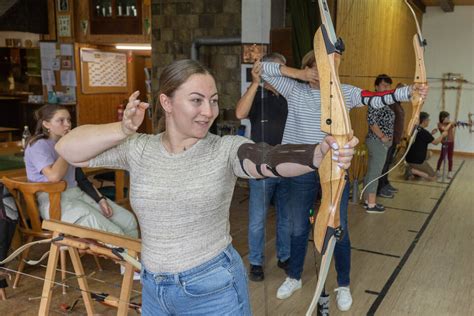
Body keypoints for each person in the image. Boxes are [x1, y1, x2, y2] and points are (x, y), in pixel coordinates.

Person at [56, 59, 358, 315]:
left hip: (214, 289)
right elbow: (68, 148)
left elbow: (266, 158)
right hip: (153, 290)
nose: (209, 111)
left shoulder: (224, 149)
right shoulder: (138, 148)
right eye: (196, 100)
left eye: (213, 100)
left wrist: (317, 154)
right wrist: (122, 129)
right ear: (167, 102)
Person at [260, 50, 428, 311]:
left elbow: (375, 99)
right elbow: (263, 68)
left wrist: (409, 93)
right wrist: (300, 74)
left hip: (335, 169)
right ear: (310, 68)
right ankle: (293, 277)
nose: (329, 72)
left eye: (332, 67)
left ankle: (344, 284)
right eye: (321, 67)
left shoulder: (343, 92)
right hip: (300, 168)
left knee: (339, 230)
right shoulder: (295, 89)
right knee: (296, 227)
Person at [24, 104, 138, 238]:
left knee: (128, 220)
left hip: (77, 195)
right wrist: (67, 147)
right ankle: (127, 257)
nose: (67, 124)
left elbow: (80, 177)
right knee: (114, 233)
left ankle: (130, 257)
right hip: (54, 202)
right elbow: (54, 177)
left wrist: (99, 199)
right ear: (46, 124)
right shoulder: (38, 145)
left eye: (69, 120)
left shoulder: (66, 142)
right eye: (61, 120)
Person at [235, 53, 290, 282]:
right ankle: (256, 261)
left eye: (282, 70)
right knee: (258, 218)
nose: (279, 74)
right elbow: (240, 113)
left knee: (286, 217)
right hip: (262, 169)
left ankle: (284, 256)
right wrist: (255, 82)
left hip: (288, 168)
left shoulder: (291, 95)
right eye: (274, 70)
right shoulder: (256, 95)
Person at [363, 74, 396, 213]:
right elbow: (372, 121)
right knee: (375, 173)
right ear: (376, 86)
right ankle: (371, 204)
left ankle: (366, 201)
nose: (386, 88)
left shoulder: (383, 101)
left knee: (372, 172)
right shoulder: (375, 101)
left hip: (379, 142)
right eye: (383, 85)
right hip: (378, 142)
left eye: (388, 85)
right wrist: (382, 137)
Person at [376, 80, 405, 198]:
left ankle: (385, 183)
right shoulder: (391, 103)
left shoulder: (398, 104)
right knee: (383, 164)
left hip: (394, 139)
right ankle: (380, 188)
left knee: (388, 163)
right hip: (388, 139)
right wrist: (385, 137)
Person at [406, 112, 448, 181]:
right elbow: (436, 142)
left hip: (409, 157)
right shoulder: (424, 132)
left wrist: (431, 133)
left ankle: (415, 169)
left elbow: (422, 139)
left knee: (430, 153)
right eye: (428, 120)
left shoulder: (415, 128)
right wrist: (443, 135)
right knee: (433, 178)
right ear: (424, 121)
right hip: (416, 160)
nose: (429, 121)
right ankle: (413, 171)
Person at [436, 111, 456, 179]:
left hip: (451, 142)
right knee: (442, 157)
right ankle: (438, 170)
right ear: (442, 118)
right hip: (445, 142)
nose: (448, 119)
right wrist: (450, 123)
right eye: (447, 117)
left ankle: (450, 172)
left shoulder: (449, 124)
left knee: (450, 158)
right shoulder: (439, 124)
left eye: (449, 117)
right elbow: (445, 129)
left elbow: (455, 124)